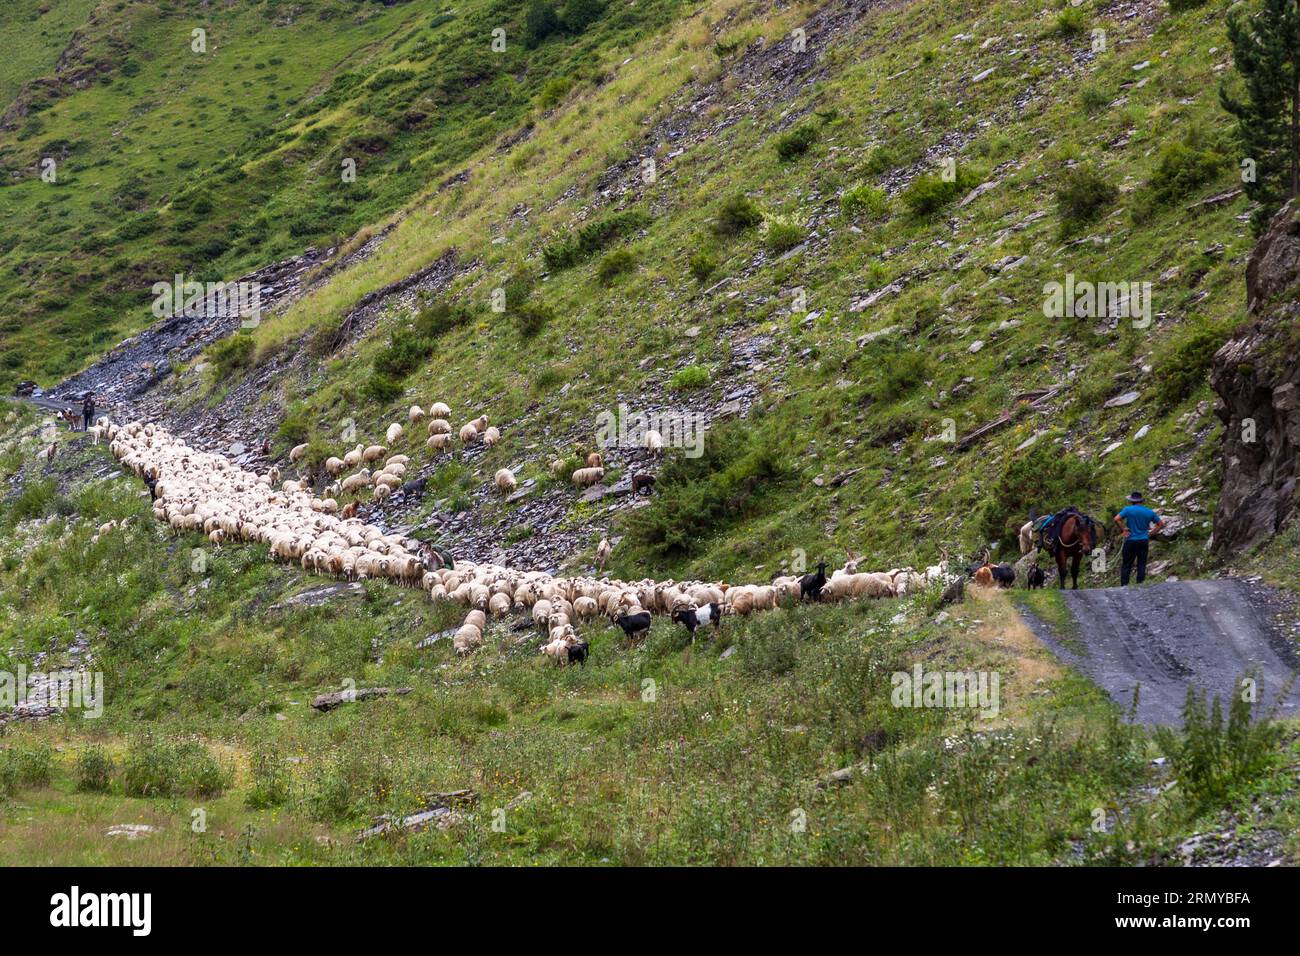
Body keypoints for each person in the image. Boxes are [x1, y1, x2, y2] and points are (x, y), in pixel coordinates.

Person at [1113, 491, 1165, 586]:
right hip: (1143, 540)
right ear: (1141, 501)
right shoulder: (1149, 511)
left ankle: (1124, 586)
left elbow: (1116, 519)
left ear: (1131, 501)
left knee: (1127, 564)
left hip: (1130, 540)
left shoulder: (1128, 510)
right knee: (1141, 564)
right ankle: (1140, 585)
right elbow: (1160, 524)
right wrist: (1150, 534)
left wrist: (1124, 529)